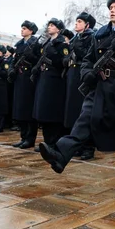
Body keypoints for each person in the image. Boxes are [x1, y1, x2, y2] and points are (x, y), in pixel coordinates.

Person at [39, 0, 115, 191]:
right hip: (100, 86)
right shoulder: (100, 34)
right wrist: (87, 72)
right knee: (85, 120)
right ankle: (60, 155)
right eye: (111, 7)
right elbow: (88, 59)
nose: (112, 10)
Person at [32, 17, 69, 149]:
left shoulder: (62, 44)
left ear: (59, 29)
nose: (49, 27)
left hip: (55, 81)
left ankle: (53, 142)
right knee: (44, 112)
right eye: (49, 25)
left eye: (53, 25)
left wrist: (53, 58)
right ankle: (47, 141)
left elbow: (64, 63)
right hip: (44, 78)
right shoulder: (47, 43)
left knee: (53, 112)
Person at [63, 13, 96, 159]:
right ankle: (76, 145)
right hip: (73, 74)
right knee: (73, 111)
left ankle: (88, 147)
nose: (76, 24)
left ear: (87, 25)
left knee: (85, 112)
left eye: (80, 21)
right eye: (76, 21)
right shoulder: (76, 38)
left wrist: (77, 48)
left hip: (84, 76)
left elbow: (89, 57)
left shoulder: (91, 37)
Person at [11, 20, 40, 149]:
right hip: (20, 77)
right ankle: (23, 137)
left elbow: (39, 61)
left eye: (24, 28)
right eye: (21, 28)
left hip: (30, 79)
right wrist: (11, 69)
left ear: (31, 30)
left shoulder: (36, 43)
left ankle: (30, 138)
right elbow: (14, 60)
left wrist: (32, 56)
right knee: (20, 109)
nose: (22, 30)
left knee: (28, 110)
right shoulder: (19, 44)